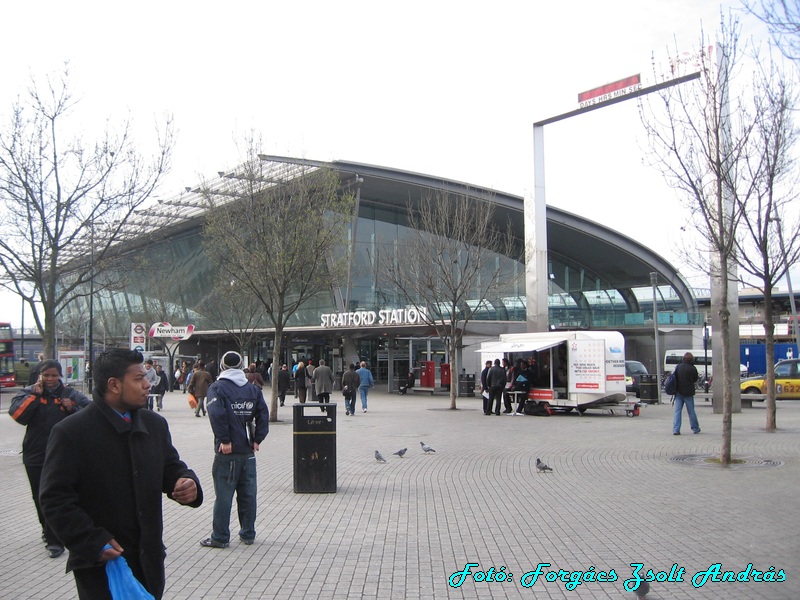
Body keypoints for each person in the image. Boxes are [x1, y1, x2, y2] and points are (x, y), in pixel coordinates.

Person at [39, 348, 202, 599]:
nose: (147, 384)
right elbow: (54, 499)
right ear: (114, 385)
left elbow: (171, 466)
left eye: (146, 377)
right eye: (138, 379)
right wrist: (94, 541)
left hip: (148, 562)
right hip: (101, 566)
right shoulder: (71, 433)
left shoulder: (154, 425)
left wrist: (185, 482)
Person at [9, 359, 91, 558]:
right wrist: (35, 398)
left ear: (60, 376)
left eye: (54, 375)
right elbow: (17, 415)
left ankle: (56, 539)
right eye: (46, 375)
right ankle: (48, 532)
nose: (50, 379)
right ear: (40, 376)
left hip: (64, 455)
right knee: (40, 497)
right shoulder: (29, 393)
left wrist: (73, 408)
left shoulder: (71, 395)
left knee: (61, 496)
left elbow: (91, 416)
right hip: (35, 454)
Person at [200, 351, 268, 548]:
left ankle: (220, 537)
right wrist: (258, 439)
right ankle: (248, 533)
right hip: (248, 451)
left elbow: (216, 414)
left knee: (224, 495)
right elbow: (262, 414)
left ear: (222, 366)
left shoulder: (217, 388)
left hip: (227, 452)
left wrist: (225, 440)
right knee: (248, 495)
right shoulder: (252, 389)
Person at [673, 351, 701, 435]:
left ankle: (676, 429)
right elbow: (695, 379)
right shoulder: (692, 368)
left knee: (677, 411)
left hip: (678, 392)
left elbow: (675, 377)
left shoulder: (678, 367)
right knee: (691, 411)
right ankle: (695, 428)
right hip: (688, 392)